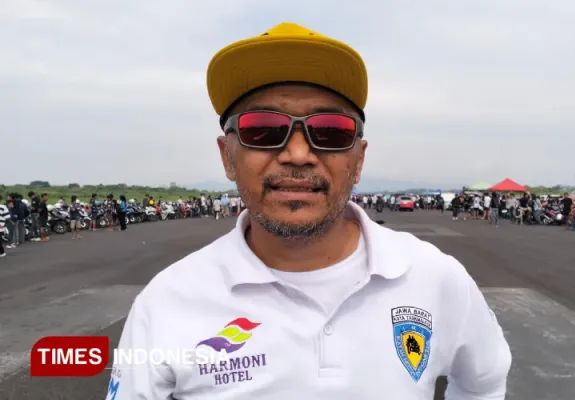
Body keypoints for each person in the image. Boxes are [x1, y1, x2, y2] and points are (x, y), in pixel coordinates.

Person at [108, 22, 511, 400]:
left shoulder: (436, 279)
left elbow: (484, 383)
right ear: (227, 156)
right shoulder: (166, 302)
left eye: (331, 132)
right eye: (263, 129)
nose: (298, 154)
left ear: (359, 160)